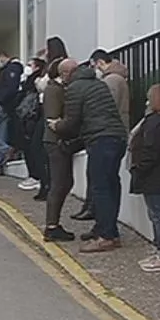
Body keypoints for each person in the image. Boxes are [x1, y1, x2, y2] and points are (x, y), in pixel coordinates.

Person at [51, 58, 128, 253]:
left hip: (100, 139)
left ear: (66, 73)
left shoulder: (76, 88)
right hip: (117, 136)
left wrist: (56, 125)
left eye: (62, 75)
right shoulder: (97, 83)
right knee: (111, 184)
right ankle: (106, 228)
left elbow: (72, 122)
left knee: (100, 187)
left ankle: (107, 236)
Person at [128, 83, 160, 273]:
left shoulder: (153, 122)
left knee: (157, 215)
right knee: (158, 214)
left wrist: (139, 169)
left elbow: (150, 150)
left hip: (153, 176)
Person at [41, 55, 76, 242]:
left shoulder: (57, 89)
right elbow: (53, 118)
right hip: (56, 142)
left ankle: (53, 224)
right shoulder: (54, 91)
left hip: (58, 141)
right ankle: (51, 225)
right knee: (59, 183)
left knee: (65, 182)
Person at [16, 57, 50, 201]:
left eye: (30, 65)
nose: (27, 67)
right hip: (34, 115)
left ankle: (41, 180)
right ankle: (41, 180)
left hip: (38, 114)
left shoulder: (39, 78)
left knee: (36, 148)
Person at [0, 48, 24, 176]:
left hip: (3, 106)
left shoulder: (12, 69)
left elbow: (10, 89)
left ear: (3, 56)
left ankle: (6, 149)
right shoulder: (7, 70)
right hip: (6, 108)